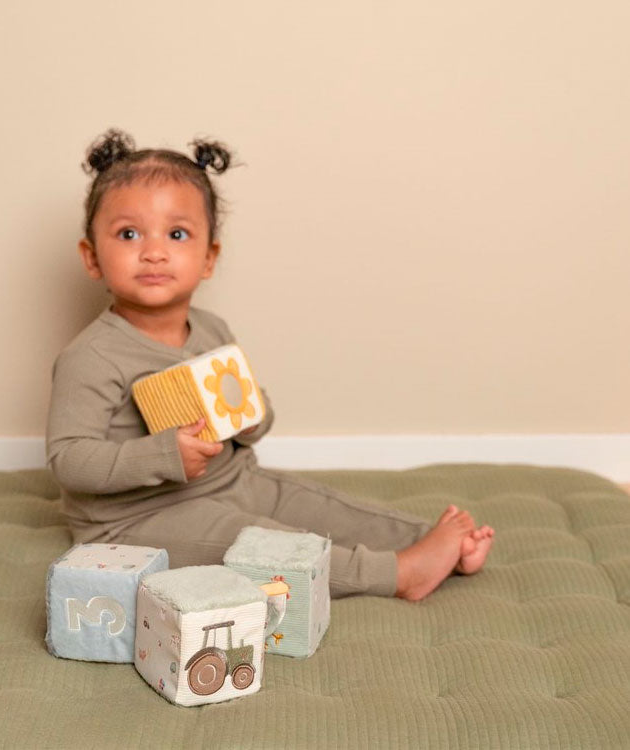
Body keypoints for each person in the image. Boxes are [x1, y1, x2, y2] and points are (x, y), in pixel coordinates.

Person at [46, 128, 494, 601]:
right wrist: (164, 455)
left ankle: (428, 541)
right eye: (128, 233)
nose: (154, 250)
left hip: (235, 480)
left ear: (208, 258)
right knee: (260, 546)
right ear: (92, 257)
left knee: (316, 505)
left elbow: (250, 420)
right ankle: (396, 573)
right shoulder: (91, 357)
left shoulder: (213, 330)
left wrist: (253, 412)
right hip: (137, 520)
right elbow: (69, 460)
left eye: (177, 234)